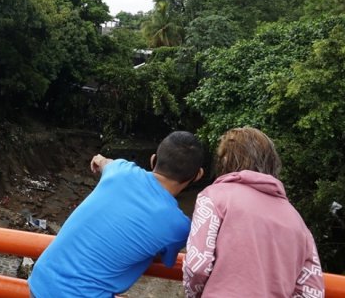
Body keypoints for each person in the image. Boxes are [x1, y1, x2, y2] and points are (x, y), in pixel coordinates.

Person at [28, 131, 206, 297]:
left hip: (40, 282)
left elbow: (106, 163)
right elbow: (163, 258)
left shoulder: (120, 169)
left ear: (153, 159)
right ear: (198, 175)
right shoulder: (179, 226)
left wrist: (99, 159)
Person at [183, 127, 324, 298]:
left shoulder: (214, 197)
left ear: (225, 161)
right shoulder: (297, 221)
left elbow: (197, 266)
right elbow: (313, 291)